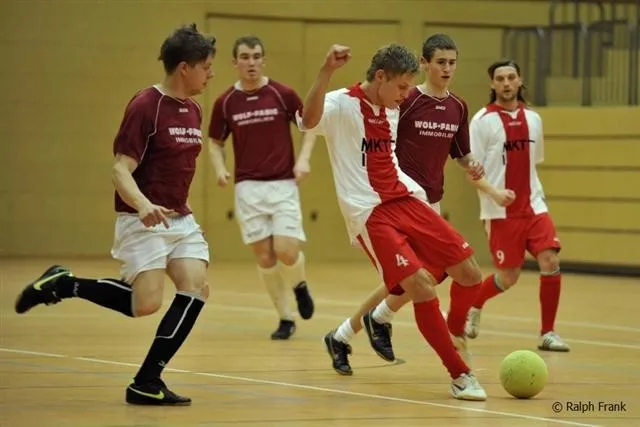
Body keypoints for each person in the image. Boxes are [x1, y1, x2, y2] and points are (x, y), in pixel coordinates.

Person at [13, 24, 216, 406]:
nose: (211, 74)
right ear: (184, 68)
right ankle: (64, 284)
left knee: (196, 288)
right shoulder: (146, 105)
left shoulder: (194, 109)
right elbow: (120, 170)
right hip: (141, 219)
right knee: (145, 304)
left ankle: (146, 381)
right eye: (206, 67)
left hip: (180, 220)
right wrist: (144, 205)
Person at [298, 42, 487, 400]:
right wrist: (326, 70)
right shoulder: (341, 103)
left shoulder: (393, 109)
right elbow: (307, 121)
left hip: (407, 198)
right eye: (401, 87)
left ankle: (448, 330)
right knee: (420, 286)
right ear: (381, 77)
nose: (405, 94)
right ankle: (460, 373)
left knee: (470, 273)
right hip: (369, 212)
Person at [208, 35, 315, 340]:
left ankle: (300, 285)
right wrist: (219, 168)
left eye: (256, 56)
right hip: (248, 188)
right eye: (245, 57)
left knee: (286, 251)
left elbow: (309, 127)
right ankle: (285, 318)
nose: (251, 62)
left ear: (263, 60)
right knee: (265, 258)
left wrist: (303, 160)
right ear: (235, 62)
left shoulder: (283, 94)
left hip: (283, 184)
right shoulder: (226, 102)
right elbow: (215, 142)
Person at [464, 59, 570, 352]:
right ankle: (474, 305)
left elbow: (533, 164)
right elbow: (472, 172)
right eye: (500, 79)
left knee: (550, 261)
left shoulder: (534, 119)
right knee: (509, 277)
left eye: (511, 77)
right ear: (492, 84)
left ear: (520, 80)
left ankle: (548, 333)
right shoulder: (482, 121)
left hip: (534, 206)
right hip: (499, 211)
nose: (506, 83)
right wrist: (495, 193)